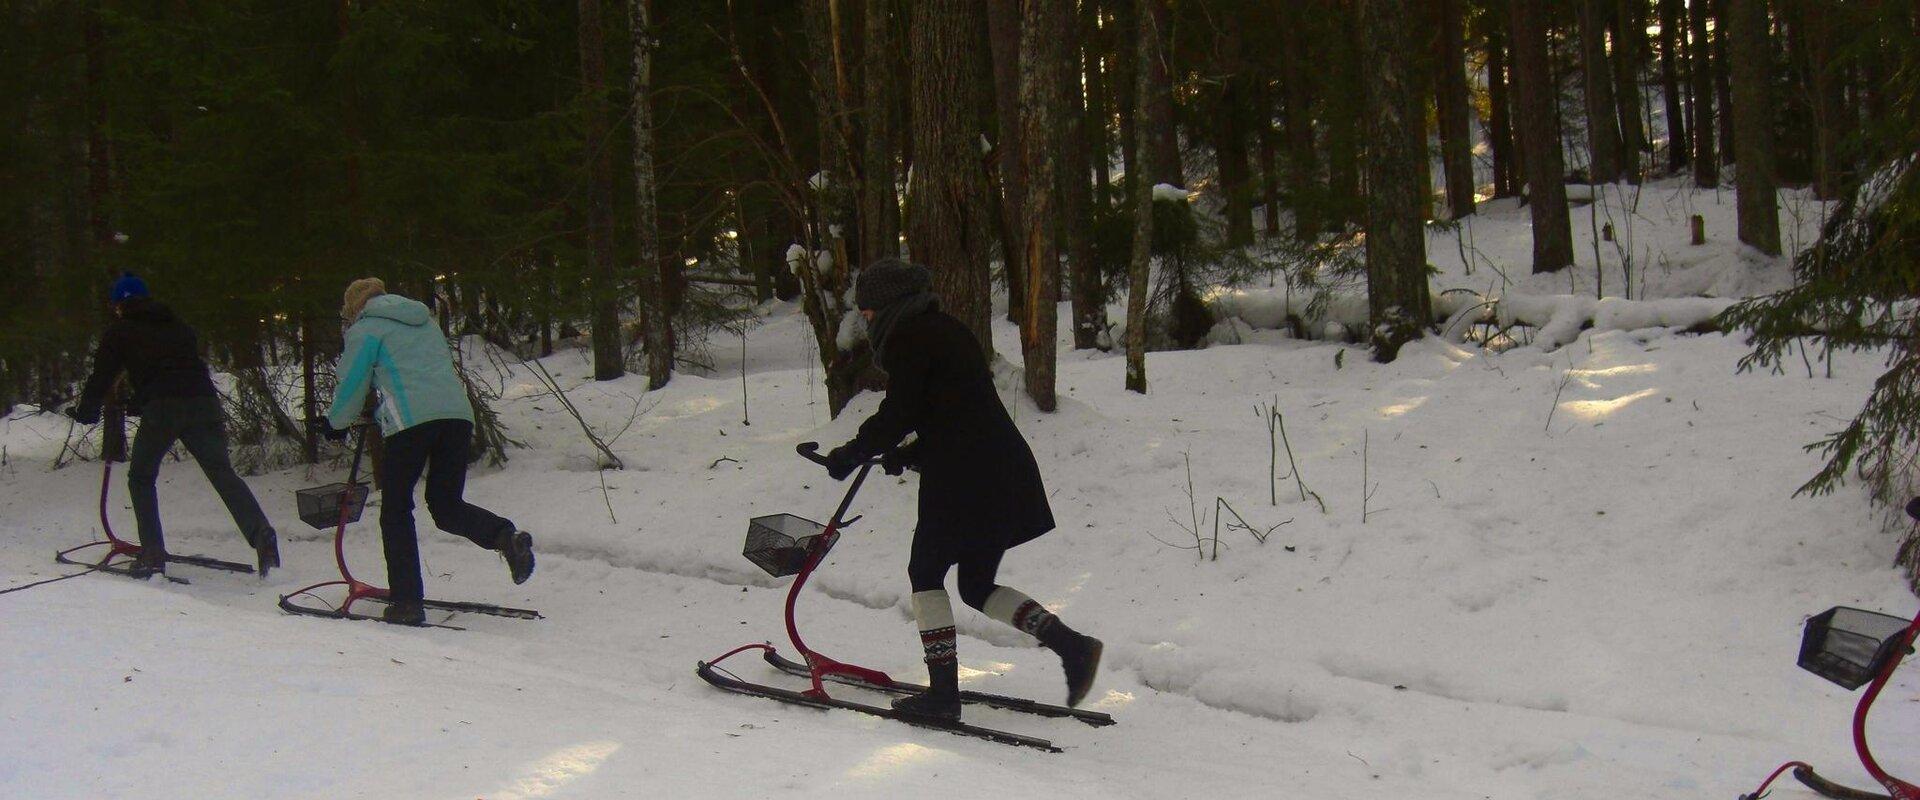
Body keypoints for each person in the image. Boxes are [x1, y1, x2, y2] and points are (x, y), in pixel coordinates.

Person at [822, 258, 1102, 720]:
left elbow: (901, 412)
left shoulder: (913, 337)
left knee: (925, 572)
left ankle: (943, 697)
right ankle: (1073, 647)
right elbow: (953, 411)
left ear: (891, 303)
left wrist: (851, 454)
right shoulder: (943, 330)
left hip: (967, 479)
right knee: (975, 585)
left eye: (869, 309)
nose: (865, 318)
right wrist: (908, 454)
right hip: (996, 467)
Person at [318, 278, 534, 625]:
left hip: (411, 422)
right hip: (457, 417)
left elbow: (352, 381)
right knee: (446, 505)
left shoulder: (366, 329)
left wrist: (336, 424)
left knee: (396, 510)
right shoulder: (424, 321)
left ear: (354, 308)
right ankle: (504, 537)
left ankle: (406, 601)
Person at [69, 273, 280, 578]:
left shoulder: (120, 331)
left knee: (141, 477)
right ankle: (261, 533)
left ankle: (152, 553)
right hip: (203, 401)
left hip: (164, 408)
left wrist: (87, 411)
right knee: (221, 472)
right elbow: (175, 366)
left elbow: (103, 375)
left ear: (120, 305)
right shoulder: (177, 326)